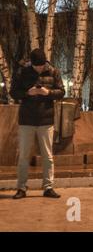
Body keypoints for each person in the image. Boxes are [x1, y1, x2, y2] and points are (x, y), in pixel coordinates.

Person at [10, 48, 65, 199]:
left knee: (48, 155)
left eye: (41, 66)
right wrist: (28, 93)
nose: (39, 69)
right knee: (24, 156)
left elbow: (61, 92)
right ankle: (21, 188)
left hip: (46, 120)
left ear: (45, 62)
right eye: (36, 66)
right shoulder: (22, 72)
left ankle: (48, 187)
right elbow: (13, 92)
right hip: (26, 119)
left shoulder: (54, 72)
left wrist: (48, 93)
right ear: (31, 63)